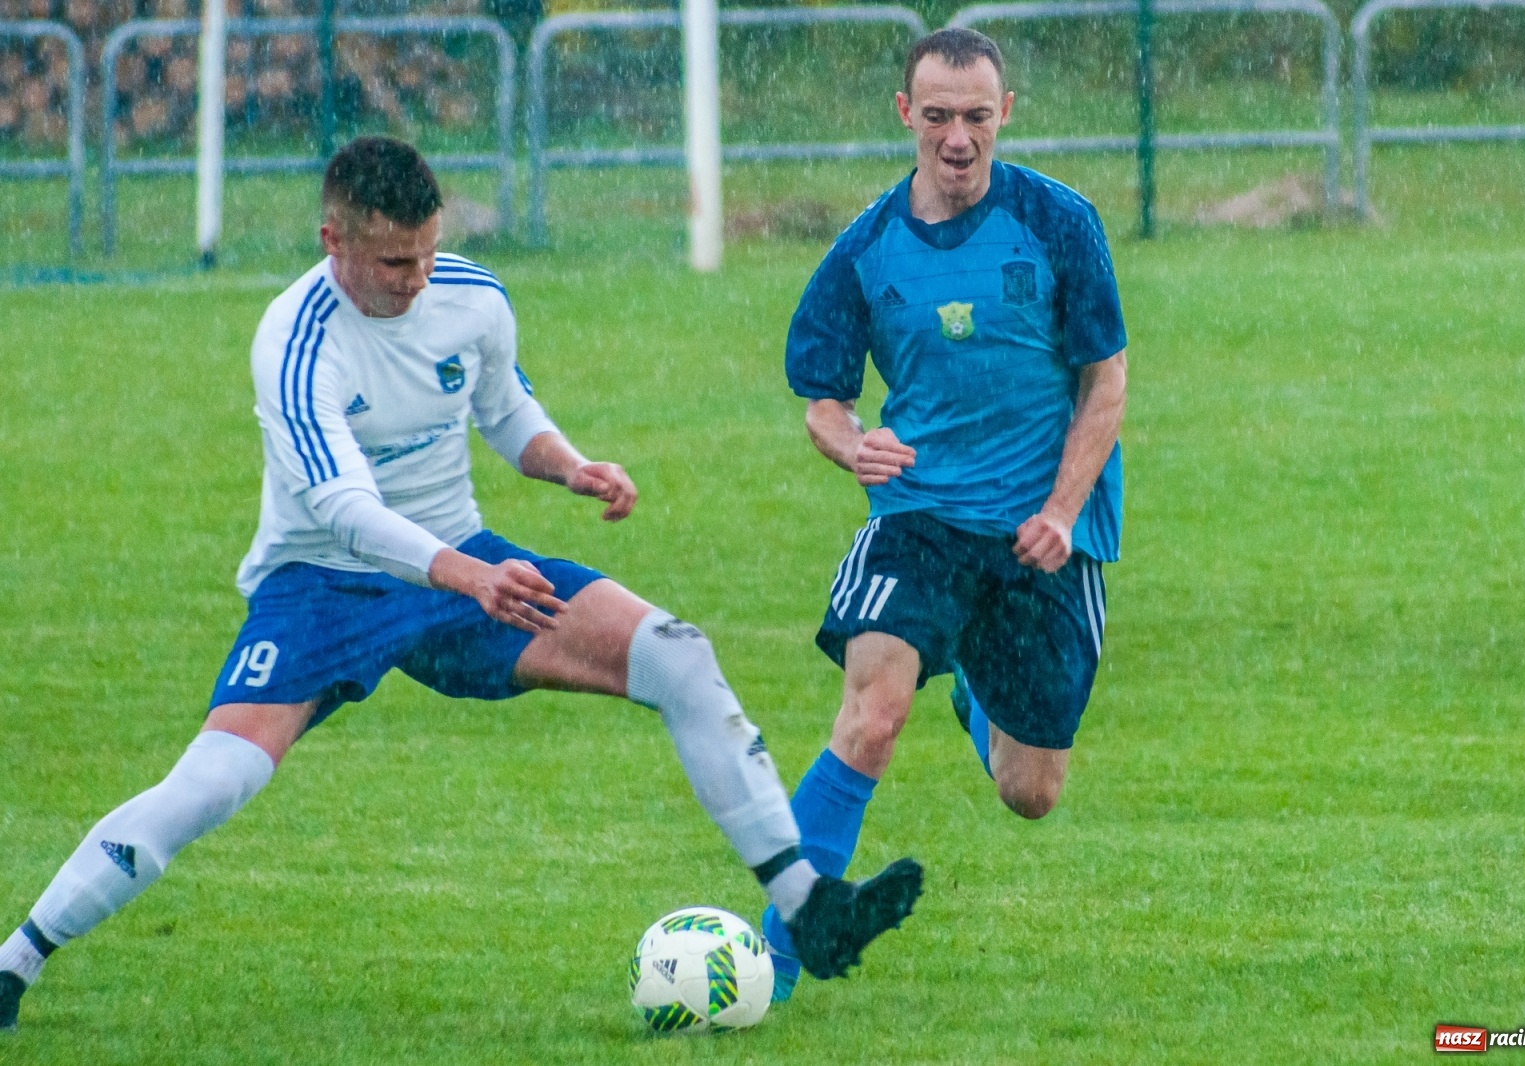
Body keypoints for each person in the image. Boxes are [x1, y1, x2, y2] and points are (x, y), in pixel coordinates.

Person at [0, 136, 921, 1032]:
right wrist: (469, 574)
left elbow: (504, 407)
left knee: (678, 656)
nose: (416, 278)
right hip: (326, 585)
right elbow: (343, 507)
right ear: (336, 243)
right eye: (396, 260)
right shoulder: (295, 341)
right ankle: (18, 960)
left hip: (466, 567)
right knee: (216, 781)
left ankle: (807, 905)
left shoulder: (470, 295)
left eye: (429, 252)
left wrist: (568, 465)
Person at [759, 28, 1128, 1000]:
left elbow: (1105, 383)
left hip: (1038, 534)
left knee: (1030, 792)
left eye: (975, 116)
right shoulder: (865, 249)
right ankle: (773, 963)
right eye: (936, 117)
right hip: (917, 516)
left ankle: (972, 687)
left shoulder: (1058, 223)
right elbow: (822, 399)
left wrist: (1059, 509)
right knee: (871, 718)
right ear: (904, 116)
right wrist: (848, 442)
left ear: (1004, 113)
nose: (956, 139)